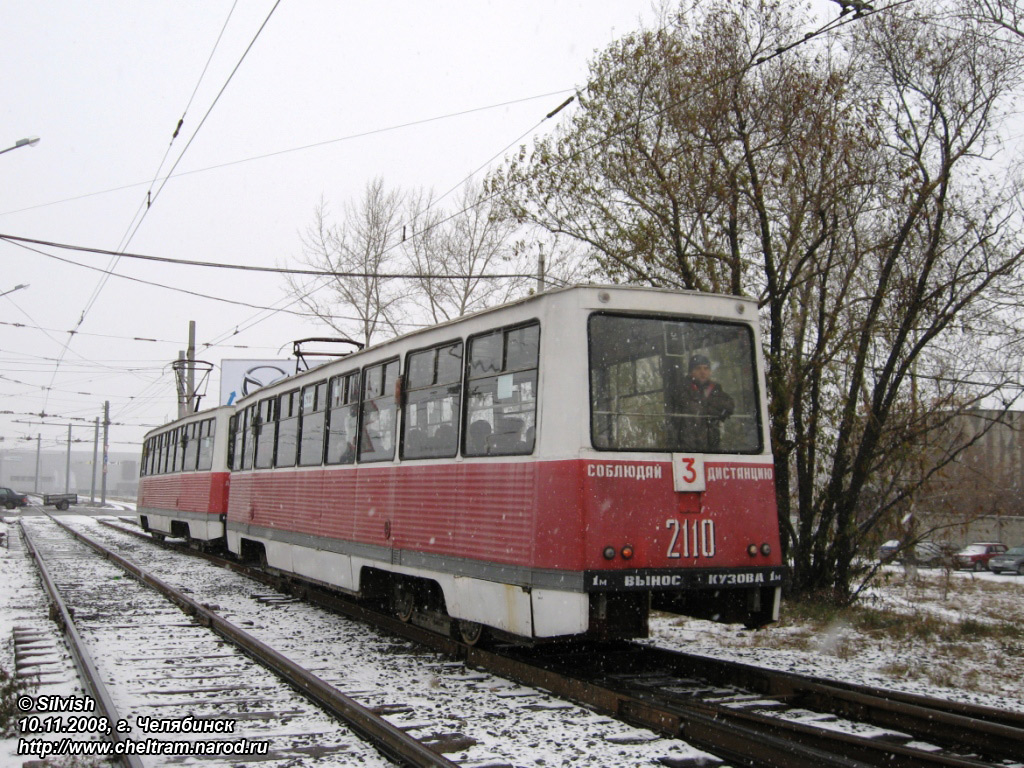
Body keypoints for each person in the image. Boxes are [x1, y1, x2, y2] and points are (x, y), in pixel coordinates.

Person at [677, 354, 734, 451]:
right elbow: (691, 408)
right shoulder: (682, 389)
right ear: (691, 372)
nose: (703, 372)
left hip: (712, 444)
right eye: (698, 368)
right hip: (687, 444)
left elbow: (729, 406)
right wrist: (710, 408)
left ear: (710, 372)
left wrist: (713, 409)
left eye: (706, 368)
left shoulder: (716, 389)